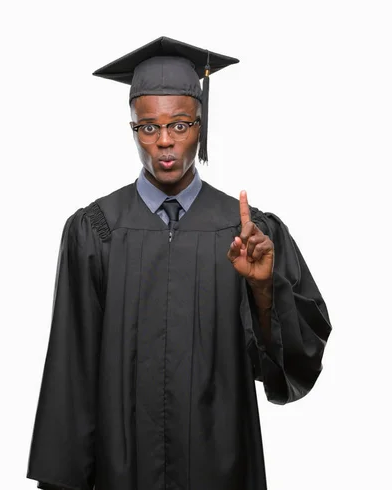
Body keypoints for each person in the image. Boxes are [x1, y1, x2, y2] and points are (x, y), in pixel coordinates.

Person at [26, 36, 332, 490]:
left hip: (222, 467)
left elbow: (294, 368)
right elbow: (72, 372)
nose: (164, 142)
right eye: (148, 128)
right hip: (120, 469)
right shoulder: (96, 231)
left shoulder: (248, 233)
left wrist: (265, 291)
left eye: (180, 124)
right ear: (132, 127)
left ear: (201, 125)